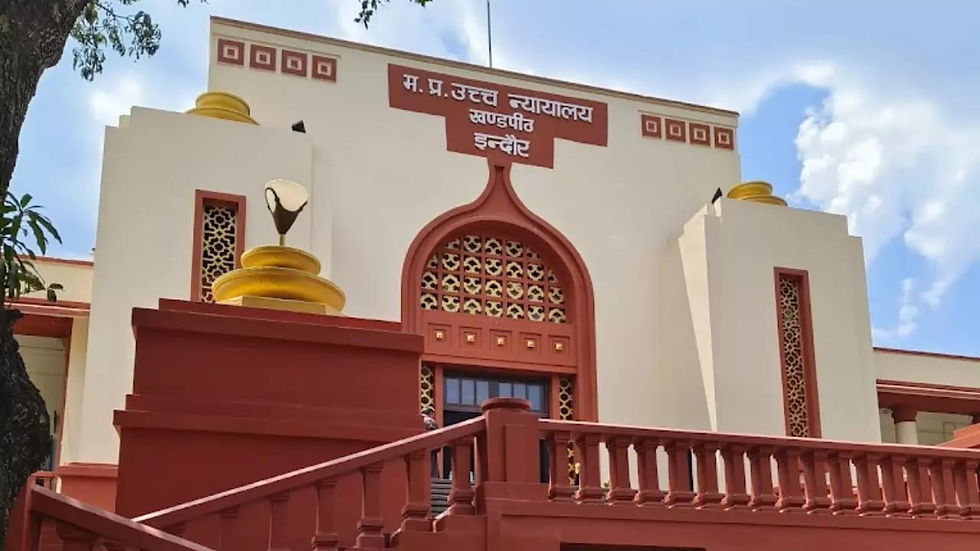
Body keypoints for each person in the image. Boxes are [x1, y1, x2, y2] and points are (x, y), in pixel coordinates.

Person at [422, 407, 439, 477]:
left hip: (420, 446)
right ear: (431, 413)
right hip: (430, 446)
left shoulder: (419, 419)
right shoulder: (430, 421)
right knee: (431, 465)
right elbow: (435, 433)